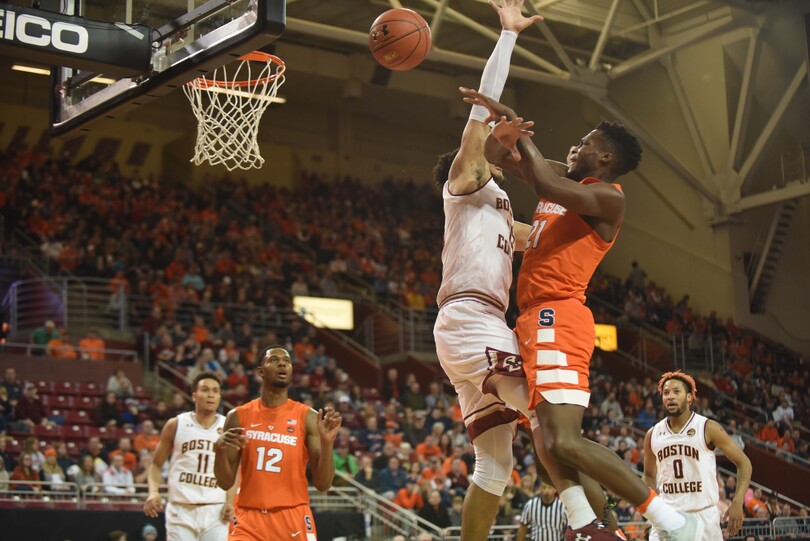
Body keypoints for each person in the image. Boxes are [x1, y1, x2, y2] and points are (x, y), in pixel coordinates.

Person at [461, 89, 701, 540]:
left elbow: (547, 186)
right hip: (532, 319)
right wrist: (500, 128)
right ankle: (603, 526)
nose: (575, 147)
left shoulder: (608, 197)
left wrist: (519, 126)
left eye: (585, 143)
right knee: (549, 449)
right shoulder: (557, 173)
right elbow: (495, 156)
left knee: (562, 442)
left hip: (558, 316)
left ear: (605, 158)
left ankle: (670, 520)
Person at [213, 345, 342, 540]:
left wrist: (327, 443)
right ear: (260, 371)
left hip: (292, 516)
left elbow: (323, 485)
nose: (282, 364)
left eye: (287, 361)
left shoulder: (308, 417)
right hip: (248, 519)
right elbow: (225, 483)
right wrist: (219, 450)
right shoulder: (238, 416)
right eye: (274, 360)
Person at [643, 371, 752, 540]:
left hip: (703, 517)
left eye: (676, 392)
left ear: (689, 397)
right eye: (666, 393)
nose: (670, 396)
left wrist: (737, 501)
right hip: (668, 515)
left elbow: (744, 463)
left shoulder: (707, 427)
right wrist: (654, 508)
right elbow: (649, 475)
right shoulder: (653, 434)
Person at [143, 372, 234, 541]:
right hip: (181, 509)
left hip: (216, 510)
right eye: (205, 390)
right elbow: (155, 465)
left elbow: (235, 469)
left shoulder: (228, 427)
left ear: (219, 397)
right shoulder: (176, 424)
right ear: (194, 396)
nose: (211, 395)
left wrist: (230, 501)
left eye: (215, 391)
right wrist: (153, 492)